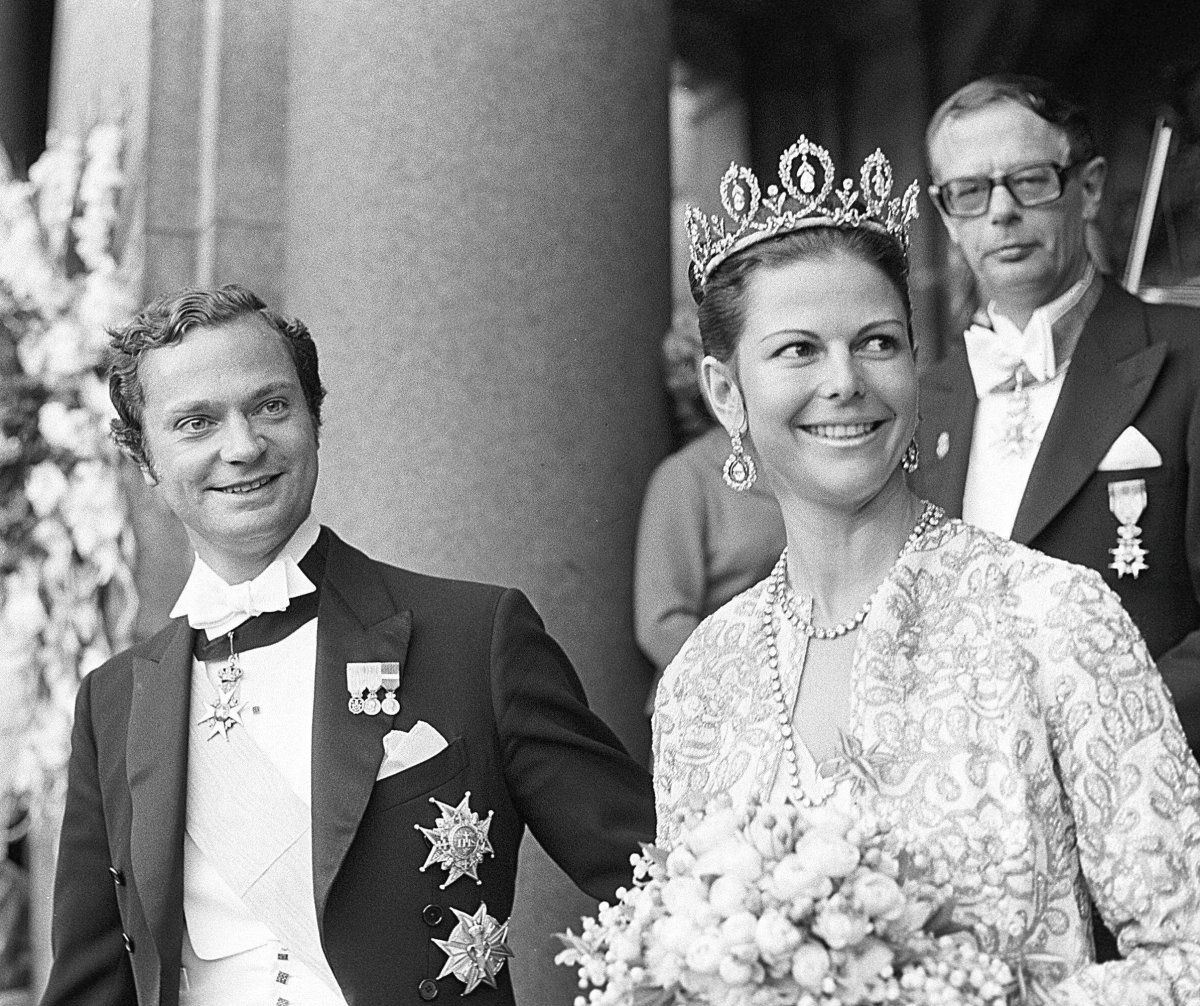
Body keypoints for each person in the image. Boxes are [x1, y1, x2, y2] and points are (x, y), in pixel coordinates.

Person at [653, 135, 1200, 1000]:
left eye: (877, 342)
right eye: (798, 350)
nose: (846, 382)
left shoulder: (1054, 619)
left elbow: (1190, 953)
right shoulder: (697, 688)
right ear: (727, 394)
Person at [40, 285, 655, 1006]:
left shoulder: (474, 637)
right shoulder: (112, 703)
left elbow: (660, 884)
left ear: (314, 419)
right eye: (196, 423)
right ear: (143, 461)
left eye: (270, 406)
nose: (242, 447)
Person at [913, 74, 1200, 765]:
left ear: (1090, 186)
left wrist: (1105, 739)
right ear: (947, 216)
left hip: (1150, 793)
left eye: (1030, 180)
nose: (1001, 212)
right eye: (970, 193)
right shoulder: (922, 400)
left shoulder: (1191, 358)